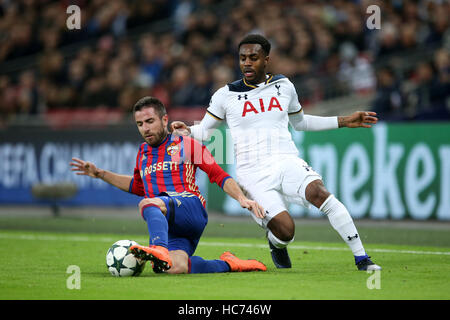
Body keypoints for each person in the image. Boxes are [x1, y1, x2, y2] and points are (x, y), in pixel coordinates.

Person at [171, 34, 381, 271]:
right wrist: (188, 130)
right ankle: (276, 244)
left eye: (253, 57)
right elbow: (206, 131)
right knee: (285, 230)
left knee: (320, 193)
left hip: (285, 160)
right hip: (253, 174)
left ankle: (362, 258)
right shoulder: (225, 95)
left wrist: (344, 120)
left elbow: (300, 123)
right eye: (242, 58)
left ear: (266, 59)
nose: (247, 63)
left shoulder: (284, 86)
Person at [70, 96, 267, 274]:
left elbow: (218, 175)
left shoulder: (185, 143)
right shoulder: (142, 153)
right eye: (140, 124)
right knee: (172, 268)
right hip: (169, 223)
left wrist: (241, 197)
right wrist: (100, 174)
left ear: (164, 120)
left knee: (149, 204)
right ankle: (230, 264)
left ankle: (158, 248)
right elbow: (139, 187)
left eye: (149, 121)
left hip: (191, 207)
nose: (145, 128)